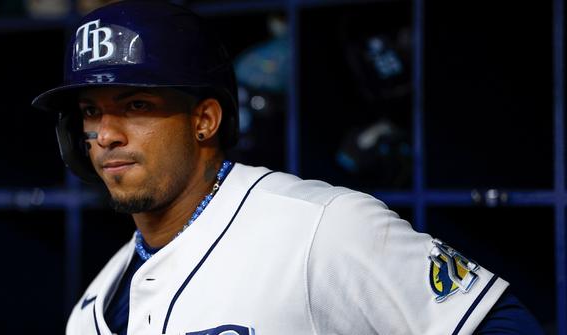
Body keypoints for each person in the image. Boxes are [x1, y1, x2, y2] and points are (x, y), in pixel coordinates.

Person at [32, 1, 543, 334]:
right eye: (92, 112)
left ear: (204, 120)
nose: (107, 133)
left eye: (136, 106)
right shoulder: (91, 308)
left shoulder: (323, 227)